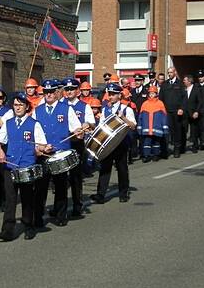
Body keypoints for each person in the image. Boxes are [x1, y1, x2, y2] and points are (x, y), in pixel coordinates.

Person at [0, 93, 49, 241]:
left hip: (27, 166)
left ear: (27, 107)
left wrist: (41, 149)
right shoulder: (8, 123)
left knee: (27, 198)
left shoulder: (34, 124)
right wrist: (0, 152)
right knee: (10, 199)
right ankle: (7, 230)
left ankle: (28, 226)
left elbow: (41, 144)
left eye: (21, 105)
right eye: (15, 105)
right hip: (10, 166)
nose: (18, 107)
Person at [34, 79, 83, 226]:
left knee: (60, 186)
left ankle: (61, 216)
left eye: (51, 92)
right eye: (45, 92)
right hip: (44, 154)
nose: (48, 95)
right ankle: (38, 217)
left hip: (61, 153)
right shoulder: (37, 110)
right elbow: (33, 133)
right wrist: (39, 147)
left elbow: (77, 129)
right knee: (41, 187)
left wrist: (78, 132)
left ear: (57, 93)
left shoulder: (67, 109)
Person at [91, 82, 137, 203]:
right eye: (109, 94)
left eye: (113, 94)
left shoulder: (126, 109)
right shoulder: (105, 109)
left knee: (122, 168)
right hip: (107, 144)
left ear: (119, 96)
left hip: (121, 143)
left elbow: (133, 126)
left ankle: (123, 193)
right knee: (105, 168)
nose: (110, 96)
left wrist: (123, 118)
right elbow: (101, 126)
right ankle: (100, 194)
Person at [62, 77, 95, 219]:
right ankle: (60, 207)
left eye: (72, 89)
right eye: (67, 89)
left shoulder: (84, 106)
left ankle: (77, 205)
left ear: (77, 91)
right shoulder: (59, 105)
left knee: (75, 176)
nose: (69, 92)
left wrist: (85, 125)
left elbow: (91, 123)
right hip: (62, 144)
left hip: (76, 144)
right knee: (61, 177)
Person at [159, 66, 184, 158]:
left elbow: (184, 98)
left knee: (177, 131)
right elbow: (161, 99)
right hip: (166, 112)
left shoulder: (180, 84)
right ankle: (165, 150)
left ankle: (176, 149)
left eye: (171, 72)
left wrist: (181, 108)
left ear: (175, 73)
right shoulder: (164, 84)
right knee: (167, 131)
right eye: (168, 72)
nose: (169, 74)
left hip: (177, 112)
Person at [137, 85, 168, 162]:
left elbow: (164, 116)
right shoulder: (145, 103)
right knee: (146, 142)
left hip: (157, 128)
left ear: (156, 94)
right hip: (146, 128)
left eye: (153, 93)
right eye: (150, 93)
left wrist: (165, 127)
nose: (151, 95)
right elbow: (140, 116)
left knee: (156, 142)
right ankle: (146, 156)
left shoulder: (160, 103)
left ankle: (156, 155)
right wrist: (139, 126)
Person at [182, 74, 201, 153]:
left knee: (194, 130)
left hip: (193, 113)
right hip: (184, 113)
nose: (183, 81)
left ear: (189, 81)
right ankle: (182, 147)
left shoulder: (196, 89)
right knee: (183, 130)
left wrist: (197, 111)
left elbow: (200, 102)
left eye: (185, 80)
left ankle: (195, 146)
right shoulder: (183, 89)